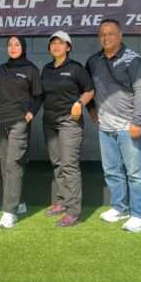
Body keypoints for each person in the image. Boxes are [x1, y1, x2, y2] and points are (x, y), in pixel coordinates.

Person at [86, 19, 141, 232]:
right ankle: (119, 207)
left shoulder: (133, 60)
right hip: (105, 127)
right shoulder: (93, 61)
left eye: (111, 33)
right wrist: (92, 111)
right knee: (112, 170)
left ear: (120, 35)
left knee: (135, 173)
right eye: (102, 34)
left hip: (128, 126)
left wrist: (137, 121)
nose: (106, 37)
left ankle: (140, 215)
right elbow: (87, 88)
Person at [41, 31, 94, 228]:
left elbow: (89, 90)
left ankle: (73, 211)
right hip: (49, 121)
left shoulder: (76, 68)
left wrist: (79, 103)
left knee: (69, 165)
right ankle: (62, 201)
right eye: (53, 43)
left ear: (68, 47)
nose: (56, 46)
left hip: (69, 122)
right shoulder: (46, 69)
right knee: (57, 163)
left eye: (60, 43)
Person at [0, 36, 42, 229]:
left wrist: (31, 113)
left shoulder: (31, 70)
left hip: (19, 122)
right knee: (5, 165)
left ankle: (9, 212)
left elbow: (38, 96)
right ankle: (19, 202)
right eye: (10, 45)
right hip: (1, 121)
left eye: (17, 44)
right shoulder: (1, 70)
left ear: (23, 47)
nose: (13, 48)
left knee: (14, 164)